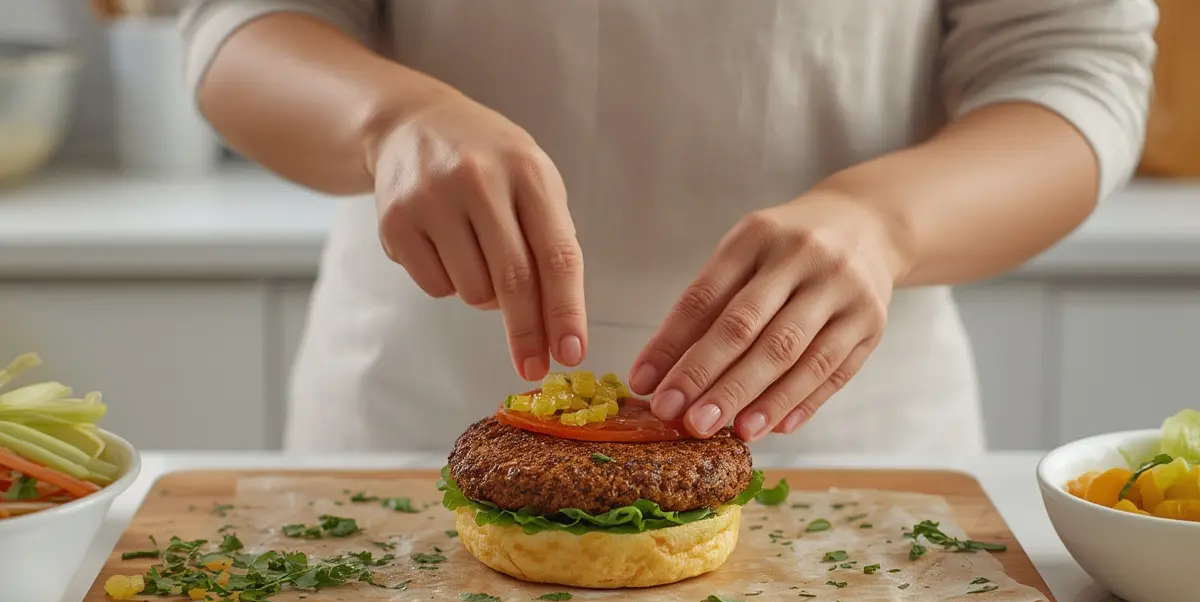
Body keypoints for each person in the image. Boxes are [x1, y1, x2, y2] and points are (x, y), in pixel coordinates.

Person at [181, 0, 1157, 455]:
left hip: (848, 445)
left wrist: (885, 219)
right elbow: (242, 19)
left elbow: (1075, 67)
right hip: (409, 413)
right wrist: (389, 120)